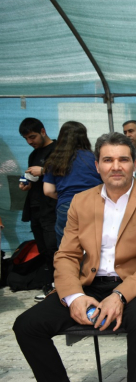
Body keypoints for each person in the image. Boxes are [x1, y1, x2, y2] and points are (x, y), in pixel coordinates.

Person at [13, 132, 136, 382]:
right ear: (97, 165)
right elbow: (66, 256)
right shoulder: (81, 201)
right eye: (108, 159)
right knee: (27, 325)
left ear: (134, 164)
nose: (116, 166)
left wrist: (120, 295)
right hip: (89, 285)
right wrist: (74, 297)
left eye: (123, 159)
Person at [42, 122, 102, 245]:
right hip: (94, 204)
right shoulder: (95, 158)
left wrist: (66, 198)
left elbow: (48, 191)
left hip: (67, 205)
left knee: (67, 248)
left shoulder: (54, 160)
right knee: (96, 245)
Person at [18, 118, 58, 301]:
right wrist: (26, 183)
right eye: (26, 138)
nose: (29, 141)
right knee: (43, 249)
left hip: (52, 208)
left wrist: (43, 171)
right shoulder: (33, 154)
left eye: (32, 137)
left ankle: (60, 285)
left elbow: (64, 172)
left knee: (54, 247)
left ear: (43, 131)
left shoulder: (58, 150)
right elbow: (31, 178)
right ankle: (49, 285)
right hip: (35, 207)